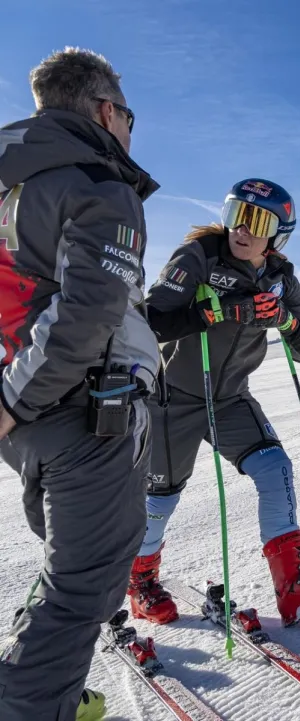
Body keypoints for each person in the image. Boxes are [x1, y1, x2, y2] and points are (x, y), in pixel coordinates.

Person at [0, 47, 160, 721]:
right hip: (77, 408)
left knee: (71, 566)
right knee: (85, 582)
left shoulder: (14, 177)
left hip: (31, 411)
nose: (129, 130)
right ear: (103, 109)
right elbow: (85, 313)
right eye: (129, 115)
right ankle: (31, 701)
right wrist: (11, 401)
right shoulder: (96, 180)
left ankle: (44, 685)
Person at [127, 179, 300, 627]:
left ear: (278, 234)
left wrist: (282, 319)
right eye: (235, 215)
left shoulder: (282, 277)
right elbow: (150, 321)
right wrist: (218, 311)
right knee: (161, 499)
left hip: (230, 399)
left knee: (275, 468)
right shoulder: (201, 256)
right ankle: (141, 581)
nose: (242, 229)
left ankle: (292, 586)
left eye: (258, 220)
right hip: (174, 398)